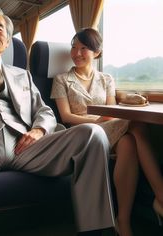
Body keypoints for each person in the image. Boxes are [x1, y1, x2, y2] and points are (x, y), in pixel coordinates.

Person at [0, 5, 115, 236]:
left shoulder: (22, 74)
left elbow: (44, 111)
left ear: (7, 41)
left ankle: (96, 231)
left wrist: (38, 130)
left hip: (25, 146)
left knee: (93, 134)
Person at [51, 28, 163, 236]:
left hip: (108, 129)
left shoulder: (106, 79)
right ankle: (160, 197)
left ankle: (122, 220)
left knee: (129, 142)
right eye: (74, 47)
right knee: (136, 124)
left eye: (83, 48)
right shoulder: (62, 80)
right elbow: (66, 117)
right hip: (81, 133)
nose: (76, 53)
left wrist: (106, 118)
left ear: (97, 52)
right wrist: (96, 120)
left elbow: (111, 110)